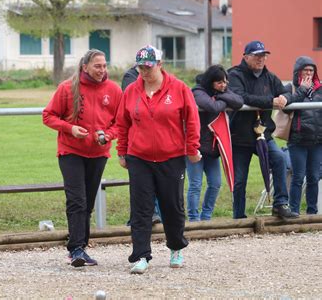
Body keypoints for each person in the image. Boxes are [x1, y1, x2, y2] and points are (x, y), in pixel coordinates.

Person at [116, 45, 201, 274]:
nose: (144, 71)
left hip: (171, 156)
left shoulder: (179, 88)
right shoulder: (132, 91)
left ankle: (176, 248)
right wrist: (121, 150)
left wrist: (192, 148)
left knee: (172, 206)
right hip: (139, 157)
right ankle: (141, 255)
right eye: (140, 67)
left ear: (160, 65)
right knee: (141, 209)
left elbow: (192, 120)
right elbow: (122, 123)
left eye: (148, 67)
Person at [43, 49, 122, 267]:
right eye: (97, 66)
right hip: (71, 152)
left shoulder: (114, 90)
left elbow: (120, 123)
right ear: (85, 67)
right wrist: (70, 129)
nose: (102, 70)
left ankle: (82, 248)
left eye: (104, 66)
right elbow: (48, 116)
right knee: (77, 200)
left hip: (98, 154)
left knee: (87, 202)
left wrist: (107, 136)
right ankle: (75, 249)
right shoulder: (67, 88)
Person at [227, 40, 298, 219]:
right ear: (246, 57)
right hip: (240, 136)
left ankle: (280, 205)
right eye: (257, 55)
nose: (261, 59)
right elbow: (241, 96)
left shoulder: (270, 77)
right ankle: (238, 216)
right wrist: (270, 101)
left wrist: (283, 97)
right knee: (240, 179)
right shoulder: (234, 75)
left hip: (263, 134)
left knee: (280, 159)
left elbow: (287, 93)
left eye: (263, 55)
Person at [187, 65, 243, 222]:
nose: (223, 85)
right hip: (195, 146)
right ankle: (193, 219)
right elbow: (212, 107)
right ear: (210, 81)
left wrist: (220, 96)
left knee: (216, 183)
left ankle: (206, 217)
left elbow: (238, 101)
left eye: (225, 82)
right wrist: (223, 99)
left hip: (212, 148)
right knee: (195, 185)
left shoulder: (221, 93)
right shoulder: (197, 91)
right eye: (219, 82)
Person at [121, 65, 162, 225]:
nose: (147, 71)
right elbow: (131, 106)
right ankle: (143, 217)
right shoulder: (130, 78)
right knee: (141, 185)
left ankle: (154, 216)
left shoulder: (164, 79)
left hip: (158, 141)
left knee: (157, 183)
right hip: (138, 142)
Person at [286, 56, 322, 215]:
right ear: (298, 72)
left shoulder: (320, 89)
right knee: (298, 177)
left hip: (317, 140)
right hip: (298, 140)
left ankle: (312, 212)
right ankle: (294, 211)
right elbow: (286, 108)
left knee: (314, 177)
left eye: (311, 70)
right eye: (305, 70)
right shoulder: (290, 88)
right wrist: (302, 89)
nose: (309, 73)